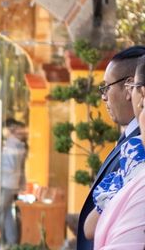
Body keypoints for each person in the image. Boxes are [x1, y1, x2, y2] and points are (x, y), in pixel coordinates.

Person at [77, 45, 145, 250]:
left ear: (131, 88)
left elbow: (91, 227)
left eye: (107, 87)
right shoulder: (130, 143)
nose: (103, 97)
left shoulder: (136, 151)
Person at [0, 119, 27, 247]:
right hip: (10, 184)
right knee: (7, 214)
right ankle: (12, 244)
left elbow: (10, 168)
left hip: (5, 185)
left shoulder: (12, 145)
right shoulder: (16, 145)